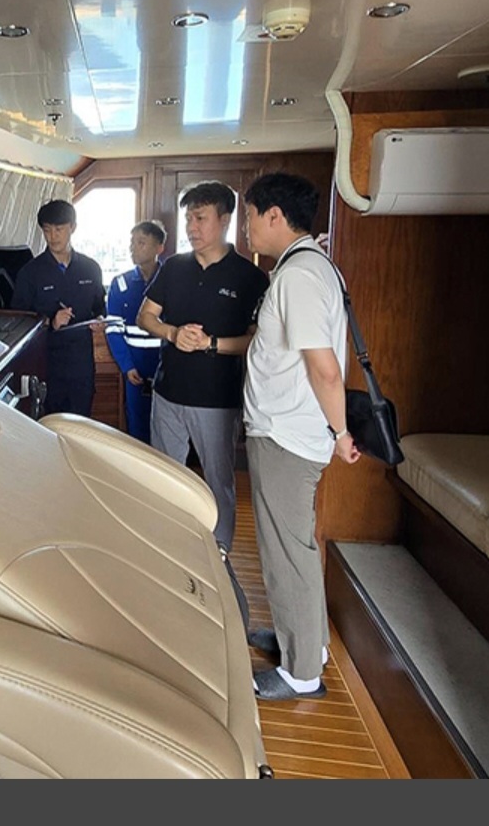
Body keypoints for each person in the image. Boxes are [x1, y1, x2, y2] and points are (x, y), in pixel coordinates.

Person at [241, 171, 361, 702]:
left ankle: (301, 673)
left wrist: (341, 432)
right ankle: (305, 643)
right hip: (289, 431)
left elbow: (324, 369)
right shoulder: (310, 265)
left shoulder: (299, 275)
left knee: (286, 552)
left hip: (286, 436)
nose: (247, 227)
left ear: (274, 215)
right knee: (297, 547)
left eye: (249, 215)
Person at [136, 180, 269, 555]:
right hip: (168, 393)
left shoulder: (250, 277)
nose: (191, 227)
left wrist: (211, 344)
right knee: (165, 478)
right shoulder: (173, 267)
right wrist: (172, 333)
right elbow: (145, 316)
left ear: (224, 220)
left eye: (200, 218)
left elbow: (258, 341)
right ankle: (166, 550)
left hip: (217, 400)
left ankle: (218, 553)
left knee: (218, 482)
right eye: (188, 219)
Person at [11, 198, 105, 418]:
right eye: (47, 230)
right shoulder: (30, 273)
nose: (53, 237)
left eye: (59, 229)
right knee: (49, 425)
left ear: (73, 228)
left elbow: (100, 308)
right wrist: (51, 322)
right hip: (46, 365)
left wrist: (100, 320)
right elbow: (20, 320)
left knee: (80, 424)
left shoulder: (91, 268)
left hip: (81, 364)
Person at [105, 220, 167, 444]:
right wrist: (127, 365)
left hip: (167, 369)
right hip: (135, 370)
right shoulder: (120, 284)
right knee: (137, 426)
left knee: (167, 428)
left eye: (141, 243)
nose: (133, 248)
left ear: (159, 248)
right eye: (132, 243)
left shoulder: (172, 280)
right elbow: (113, 328)